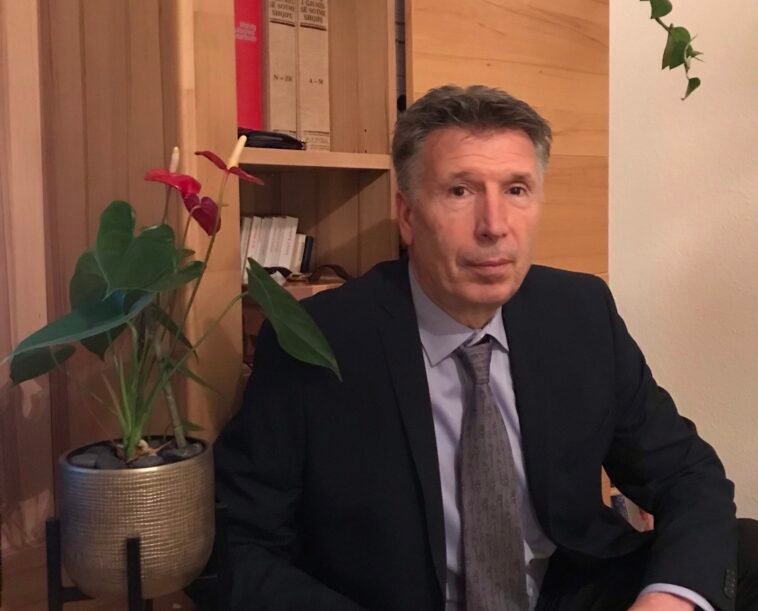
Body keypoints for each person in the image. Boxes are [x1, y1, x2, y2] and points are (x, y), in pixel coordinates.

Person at [214, 85, 758, 611]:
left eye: (516, 190)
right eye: (460, 191)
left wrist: (668, 600)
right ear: (407, 214)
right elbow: (241, 545)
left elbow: (686, 474)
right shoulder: (319, 339)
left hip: (569, 592)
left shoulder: (580, 312)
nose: (494, 226)